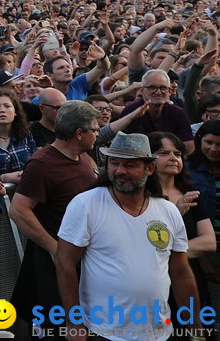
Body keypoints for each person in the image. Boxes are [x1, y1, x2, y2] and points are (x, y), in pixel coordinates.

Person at [57, 132, 200, 341]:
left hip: (160, 333)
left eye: (130, 165)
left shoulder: (168, 211)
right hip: (103, 333)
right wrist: (73, 323)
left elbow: (180, 273)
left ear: (149, 169)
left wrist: (195, 326)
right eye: (114, 163)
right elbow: (64, 263)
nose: (120, 171)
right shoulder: (86, 204)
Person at [9, 101, 100, 336]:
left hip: (82, 263)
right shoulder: (42, 164)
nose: (98, 134)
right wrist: (56, 249)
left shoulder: (84, 160)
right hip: (51, 269)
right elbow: (18, 210)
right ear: (79, 133)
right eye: (95, 129)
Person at [150, 131, 216, 334]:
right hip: (155, 284)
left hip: (190, 276)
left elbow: (208, 242)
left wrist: (168, 252)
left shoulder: (191, 192)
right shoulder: (142, 198)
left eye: (177, 154)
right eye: (164, 153)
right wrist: (175, 212)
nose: (173, 158)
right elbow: (143, 245)